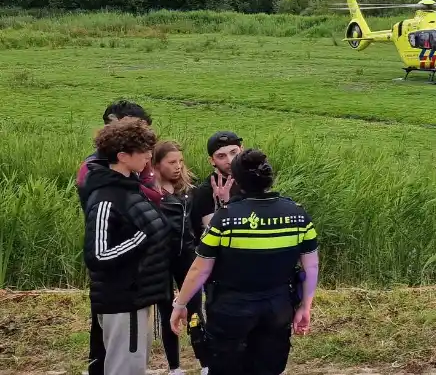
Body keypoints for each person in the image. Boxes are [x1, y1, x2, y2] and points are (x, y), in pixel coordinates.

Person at [170, 148, 320, 375]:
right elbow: (311, 266)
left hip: (231, 310)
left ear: (237, 180)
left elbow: (200, 268)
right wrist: (305, 306)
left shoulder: (226, 217)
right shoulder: (298, 214)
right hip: (278, 307)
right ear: (270, 178)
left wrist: (180, 304)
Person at [80, 117, 172, 375]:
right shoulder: (105, 197)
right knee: (125, 370)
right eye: (143, 151)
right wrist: (140, 239)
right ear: (122, 156)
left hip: (138, 297)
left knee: (134, 366)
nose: (149, 156)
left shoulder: (130, 188)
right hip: (123, 302)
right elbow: (98, 255)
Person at [151, 141, 210, 375]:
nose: (178, 167)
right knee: (166, 311)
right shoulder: (150, 194)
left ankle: (205, 364)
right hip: (162, 259)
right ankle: (174, 367)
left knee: (196, 310)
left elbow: (196, 225)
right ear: (156, 164)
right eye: (172, 162)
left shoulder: (188, 191)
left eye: (180, 161)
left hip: (187, 256)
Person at [190, 130, 244, 234]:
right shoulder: (206, 190)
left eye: (233, 152)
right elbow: (212, 233)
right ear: (212, 161)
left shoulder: (250, 180)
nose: (230, 160)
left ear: (242, 150)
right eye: (221, 156)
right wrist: (222, 206)